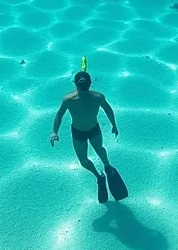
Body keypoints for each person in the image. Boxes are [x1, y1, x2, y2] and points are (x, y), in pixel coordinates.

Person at [50, 70, 127, 202]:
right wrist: (54, 131)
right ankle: (99, 176)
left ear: (89, 84)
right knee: (84, 160)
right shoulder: (69, 100)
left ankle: (107, 166)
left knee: (99, 149)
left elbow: (108, 109)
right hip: (78, 132)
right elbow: (59, 115)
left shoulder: (98, 97)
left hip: (93, 129)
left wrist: (114, 125)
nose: (83, 88)